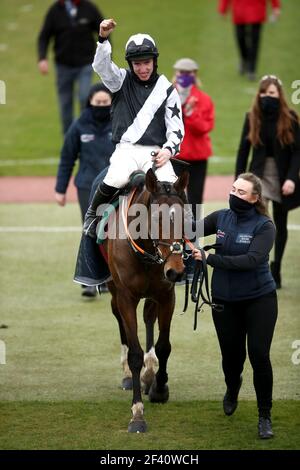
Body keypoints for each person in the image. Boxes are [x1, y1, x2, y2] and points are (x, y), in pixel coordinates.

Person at [193, 173, 277, 439]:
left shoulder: (265, 226)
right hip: (224, 301)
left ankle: (265, 416)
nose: (234, 195)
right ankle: (233, 386)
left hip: (259, 299)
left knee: (259, 355)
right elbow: (189, 229)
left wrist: (209, 259)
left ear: (255, 198)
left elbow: (251, 260)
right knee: (231, 359)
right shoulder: (221, 217)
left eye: (241, 192)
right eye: (233, 189)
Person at [83, 18, 184, 238]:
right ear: (130, 64)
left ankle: (186, 236)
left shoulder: (167, 89)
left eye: (146, 62)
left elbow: (176, 130)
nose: (143, 68)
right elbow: (100, 66)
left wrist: (168, 150)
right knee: (116, 179)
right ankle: (92, 215)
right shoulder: (119, 80)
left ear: (154, 61)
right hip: (126, 150)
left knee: (172, 187)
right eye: (137, 64)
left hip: (156, 152)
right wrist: (102, 38)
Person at [235, 75, 300, 288]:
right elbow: (243, 152)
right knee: (256, 222)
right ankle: (256, 265)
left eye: (271, 93)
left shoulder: (290, 118)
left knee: (279, 223)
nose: (266, 97)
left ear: (279, 94)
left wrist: (291, 178)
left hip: (282, 178)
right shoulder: (251, 117)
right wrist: (239, 180)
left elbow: (297, 152)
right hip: (258, 176)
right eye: (263, 93)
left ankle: (276, 268)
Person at [55, 82, 115, 296]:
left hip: (114, 183)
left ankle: (108, 277)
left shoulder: (118, 122)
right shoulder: (79, 125)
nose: (101, 106)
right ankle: (90, 280)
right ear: (90, 102)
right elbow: (67, 158)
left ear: (111, 103)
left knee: (113, 230)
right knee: (91, 228)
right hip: (87, 186)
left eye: (105, 102)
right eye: (97, 102)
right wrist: (60, 189)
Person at [37, 0, 104, 134]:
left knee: (85, 97)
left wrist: (105, 56)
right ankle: (69, 141)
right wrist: (42, 58)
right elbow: (44, 37)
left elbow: (103, 32)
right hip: (63, 66)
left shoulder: (89, 8)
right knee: (65, 105)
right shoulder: (55, 10)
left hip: (85, 64)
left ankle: (87, 136)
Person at [218, 0, 281, 81]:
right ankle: (244, 59)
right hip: (239, 9)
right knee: (240, 37)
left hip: (257, 8)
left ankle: (252, 69)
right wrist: (223, 9)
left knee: (255, 41)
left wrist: (276, 6)